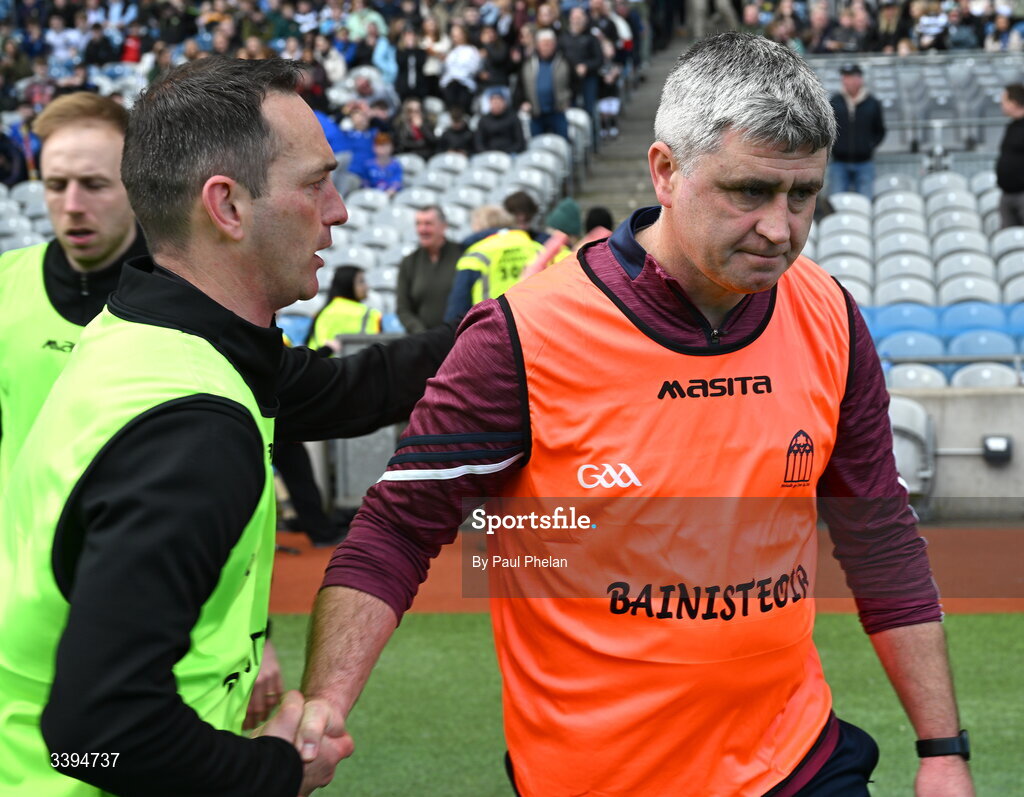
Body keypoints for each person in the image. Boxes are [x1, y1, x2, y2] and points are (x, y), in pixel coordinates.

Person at [300, 33, 974, 797]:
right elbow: (397, 526)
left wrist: (942, 746)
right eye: (749, 191)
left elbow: (878, 529)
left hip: (797, 764)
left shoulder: (828, 313)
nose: (781, 228)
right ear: (665, 172)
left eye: (803, 194)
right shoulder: (524, 334)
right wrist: (326, 703)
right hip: (593, 780)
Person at [0, 57, 455, 797]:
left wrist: (516, 326)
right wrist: (277, 771)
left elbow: (348, 389)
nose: (338, 210)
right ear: (228, 207)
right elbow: (94, 738)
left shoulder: (155, 325)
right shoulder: (193, 430)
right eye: (315, 183)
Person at [0, 92, 143, 486]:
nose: (73, 204)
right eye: (56, 185)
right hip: (18, 545)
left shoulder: (192, 288)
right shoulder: (5, 283)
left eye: (94, 185)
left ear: (136, 185)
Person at [396, 205, 463, 333]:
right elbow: (403, 308)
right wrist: (421, 333)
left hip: (459, 338)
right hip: (423, 343)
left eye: (428, 224)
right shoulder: (409, 262)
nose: (422, 229)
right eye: (418, 224)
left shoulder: (462, 255)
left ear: (443, 226)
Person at [828, 62, 886, 199]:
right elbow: (828, 129)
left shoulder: (872, 103)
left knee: (865, 203)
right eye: (845, 77)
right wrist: (835, 146)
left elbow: (880, 130)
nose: (846, 80)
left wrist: (869, 145)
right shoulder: (834, 101)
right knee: (837, 203)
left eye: (850, 76)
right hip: (839, 162)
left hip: (864, 162)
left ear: (859, 79)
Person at [308, 265, 382, 347]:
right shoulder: (372, 314)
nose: (367, 286)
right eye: (361, 281)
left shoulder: (321, 314)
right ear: (347, 284)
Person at [996, 82, 1024, 229]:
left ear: (1014, 103)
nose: (1001, 104)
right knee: (1009, 240)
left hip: (1022, 194)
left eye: (1004, 101)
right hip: (1008, 193)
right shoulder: (1012, 125)